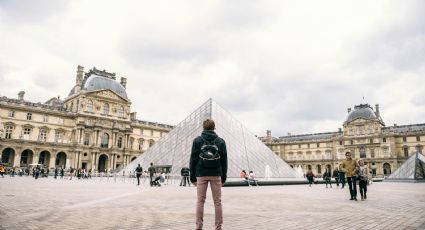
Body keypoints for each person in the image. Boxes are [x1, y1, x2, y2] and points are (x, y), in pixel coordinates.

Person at [190, 119, 227, 230]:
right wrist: (224, 177)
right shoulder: (220, 141)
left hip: (201, 174)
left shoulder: (197, 141)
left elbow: (193, 159)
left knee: (200, 201)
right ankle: (218, 227)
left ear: (203, 128)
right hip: (216, 174)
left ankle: (199, 227)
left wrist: (192, 177)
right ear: (214, 128)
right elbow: (224, 160)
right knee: (217, 202)